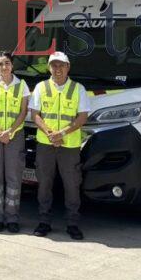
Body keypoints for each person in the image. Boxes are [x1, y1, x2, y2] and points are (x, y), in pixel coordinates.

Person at [29, 51, 91, 240]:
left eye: (61, 65)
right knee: (44, 184)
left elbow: (82, 117)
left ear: (68, 67)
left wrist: (61, 133)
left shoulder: (78, 89)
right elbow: (35, 114)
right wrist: (50, 133)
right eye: (54, 65)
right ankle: (44, 221)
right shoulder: (41, 87)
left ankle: (72, 224)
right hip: (46, 144)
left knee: (72, 185)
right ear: (49, 68)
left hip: (69, 145)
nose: (57, 69)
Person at [0, 51, 30, 233]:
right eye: (1, 63)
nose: (4, 67)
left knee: (13, 177)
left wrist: (10, 131)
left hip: (14, 136)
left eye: (7, 63)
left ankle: (12, 218)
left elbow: (23, 112)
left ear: (12, 65)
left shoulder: (22, 85)